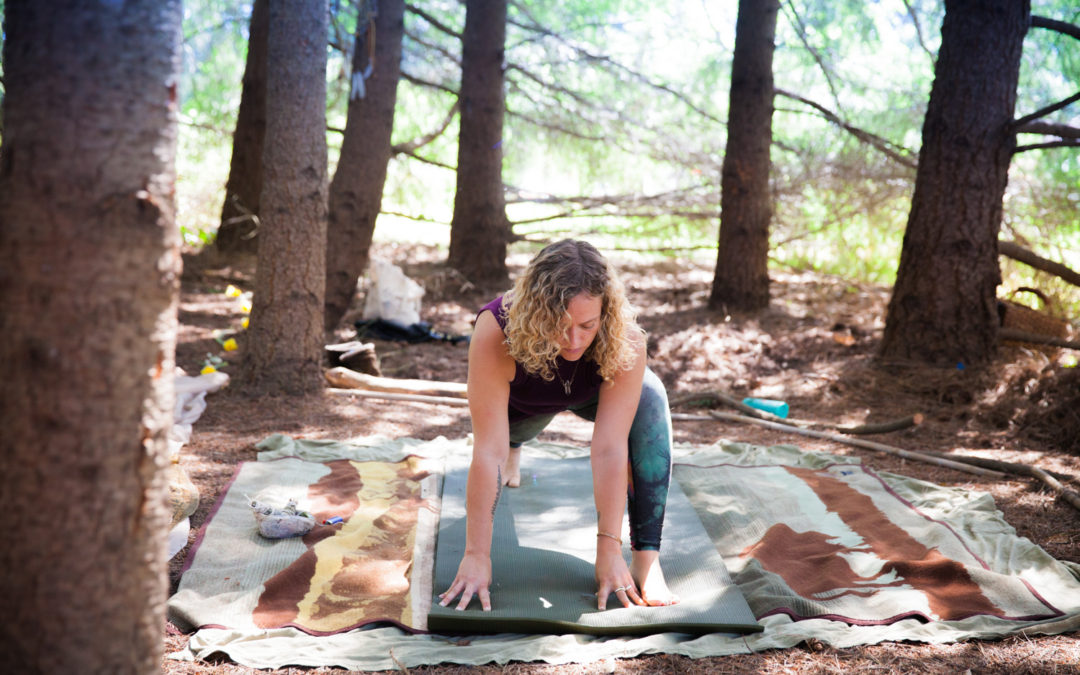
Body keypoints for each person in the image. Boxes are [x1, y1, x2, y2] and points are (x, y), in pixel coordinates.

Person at [438, 239, 679, 612]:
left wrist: (608, 550)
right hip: (524, 402)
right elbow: (488, 450)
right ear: (537, 312)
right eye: (560, 325)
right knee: (508, 441)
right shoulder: (496, 329)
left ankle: (646, 558)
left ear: (606, 313)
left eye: (587, 325)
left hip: (590, 393)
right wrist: (476, 555)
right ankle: (521, 445)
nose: (574, 340)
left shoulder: (623, 337)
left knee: (651, 396)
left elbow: (609, 448)